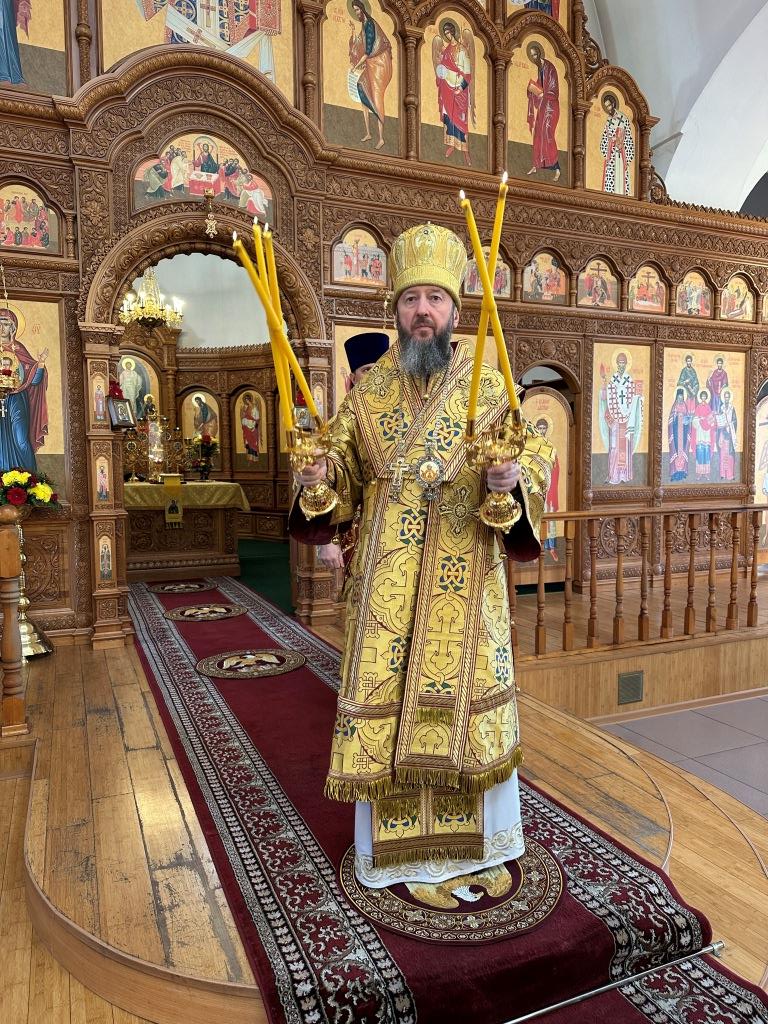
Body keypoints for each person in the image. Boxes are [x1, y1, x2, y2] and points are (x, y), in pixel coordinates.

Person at [290, 222, 555, 888]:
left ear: (455, 311)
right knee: (386, 698)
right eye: (411, 300)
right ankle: (388, 851)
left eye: (435, 299)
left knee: (464, 700)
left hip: (465, 580)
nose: (423, 312)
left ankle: (481, 842)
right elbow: (343, 475)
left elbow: (533, 459)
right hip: (386, 584)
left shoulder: (488, 386)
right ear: (396, 311)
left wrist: (511, 479)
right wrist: (319, 478)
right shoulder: (369, 391)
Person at [316, 331, 390, 572]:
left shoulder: (407, 417)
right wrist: (327, 540)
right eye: (368, 370)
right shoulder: (341, 424)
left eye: (382, 368)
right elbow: (328, 479)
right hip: (357, 531)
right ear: (353, 379)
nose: (377, 376)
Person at [0, 308, 48, 472]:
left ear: (13, 328)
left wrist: (40, 364)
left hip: (16, 399)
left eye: (6, 324)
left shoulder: (18, 349)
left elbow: (33, 380)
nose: (2, 328)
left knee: (20, 438)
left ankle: (30, 478)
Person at [348, 0, 393, 152]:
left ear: (362, 9)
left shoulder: (369, 25)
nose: (356, 13)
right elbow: (360, 47)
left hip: (379, 64)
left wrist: (355, 67)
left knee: (377, 96)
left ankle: (381, 138)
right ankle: (368, 132)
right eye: (355, 10)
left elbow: (367, 52)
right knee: (361, 86)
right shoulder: (364, 25)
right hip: (370, 63)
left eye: (357, 10)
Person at [432, 20, 474, 166]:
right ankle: (451, 144)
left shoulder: (462, 50)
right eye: (446, 34)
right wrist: (440, 68)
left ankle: (465, 150)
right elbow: (442, 69)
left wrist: (460, 88)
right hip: (447, 88)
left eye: (449, 33)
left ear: (453, 32)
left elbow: (468, 74)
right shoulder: (446, 51)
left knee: (461, 118)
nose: (448, 36)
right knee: (449, 117)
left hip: (459, 90)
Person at [599, 351, 643, 484]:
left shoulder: (629, 380)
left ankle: (624, 475)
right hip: (615, 420)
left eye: (624, 363)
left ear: (626, 364)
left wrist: (639, 397)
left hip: (626, 420)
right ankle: (613, 475)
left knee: (626, 447)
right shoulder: (613, 380)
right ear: (617, 364)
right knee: (614, 447)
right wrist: (604, 385)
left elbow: (634, 398)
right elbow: (605, 398)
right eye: (620, 363)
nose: (621, 365)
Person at [525, 41, 561, 181]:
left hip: (551, 107)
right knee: (538, 134)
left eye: (535, 55)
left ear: (539, 53)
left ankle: (556, 168)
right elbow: (539, 88)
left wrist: (542, 94)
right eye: (532, 56)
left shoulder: (550, 68)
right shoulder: (540, 69)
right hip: (543, 107)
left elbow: (553, 90)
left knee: (547, 133)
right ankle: (536, 164)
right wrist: (531, 91)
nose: (534, 58)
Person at [600, 92, 635, 196]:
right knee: (611, 179)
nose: (608, 109)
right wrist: (611, 141)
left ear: (613, 104)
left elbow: (628, 139)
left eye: (609, 105)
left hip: (621, 154)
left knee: (621, 179)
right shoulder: (608, 121)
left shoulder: (623, 119)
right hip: (612, 156)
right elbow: (604, 139)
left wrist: (621, 145)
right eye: (606, 107)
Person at [667, 387, 690, 482]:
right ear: (676, 397)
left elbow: (688, 420)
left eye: (681, 397)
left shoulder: (685, 406)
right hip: (676, 432)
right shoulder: (674, 406)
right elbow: (671, 420)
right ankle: (674, 472)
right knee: (676, 451)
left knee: (683, 451)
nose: (680, 399)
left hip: (683, 432)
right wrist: (677, 417)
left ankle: (683, 471)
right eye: (679, 397)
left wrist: (687, 420)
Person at [692, 389, 715, 479]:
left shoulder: (708, 407)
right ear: (700, 397)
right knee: (700, 451)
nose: (703, 398)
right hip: (700, 432)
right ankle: (699, 473)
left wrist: (709, 419)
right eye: (702, 396)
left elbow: (711, 419)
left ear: (706, 397)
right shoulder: (698, 407)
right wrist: (700, 419)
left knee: (706, 451)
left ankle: (706, 473)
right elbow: (694, 420)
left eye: (705, 396)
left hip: (706, 433)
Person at [715, 389, 737, 481]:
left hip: (729, 434)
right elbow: (719, 419)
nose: (726, 399)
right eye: (725, 397)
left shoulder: (732, 408)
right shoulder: (721, 408)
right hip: (722, 434)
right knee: (723, 454)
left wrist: (730, 424)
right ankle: (723, 474)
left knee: (730, 455)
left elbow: (735, 421)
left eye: (728, 397)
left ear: (729, 398)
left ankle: (730, 475)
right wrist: (719, 420)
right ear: (723, 398)